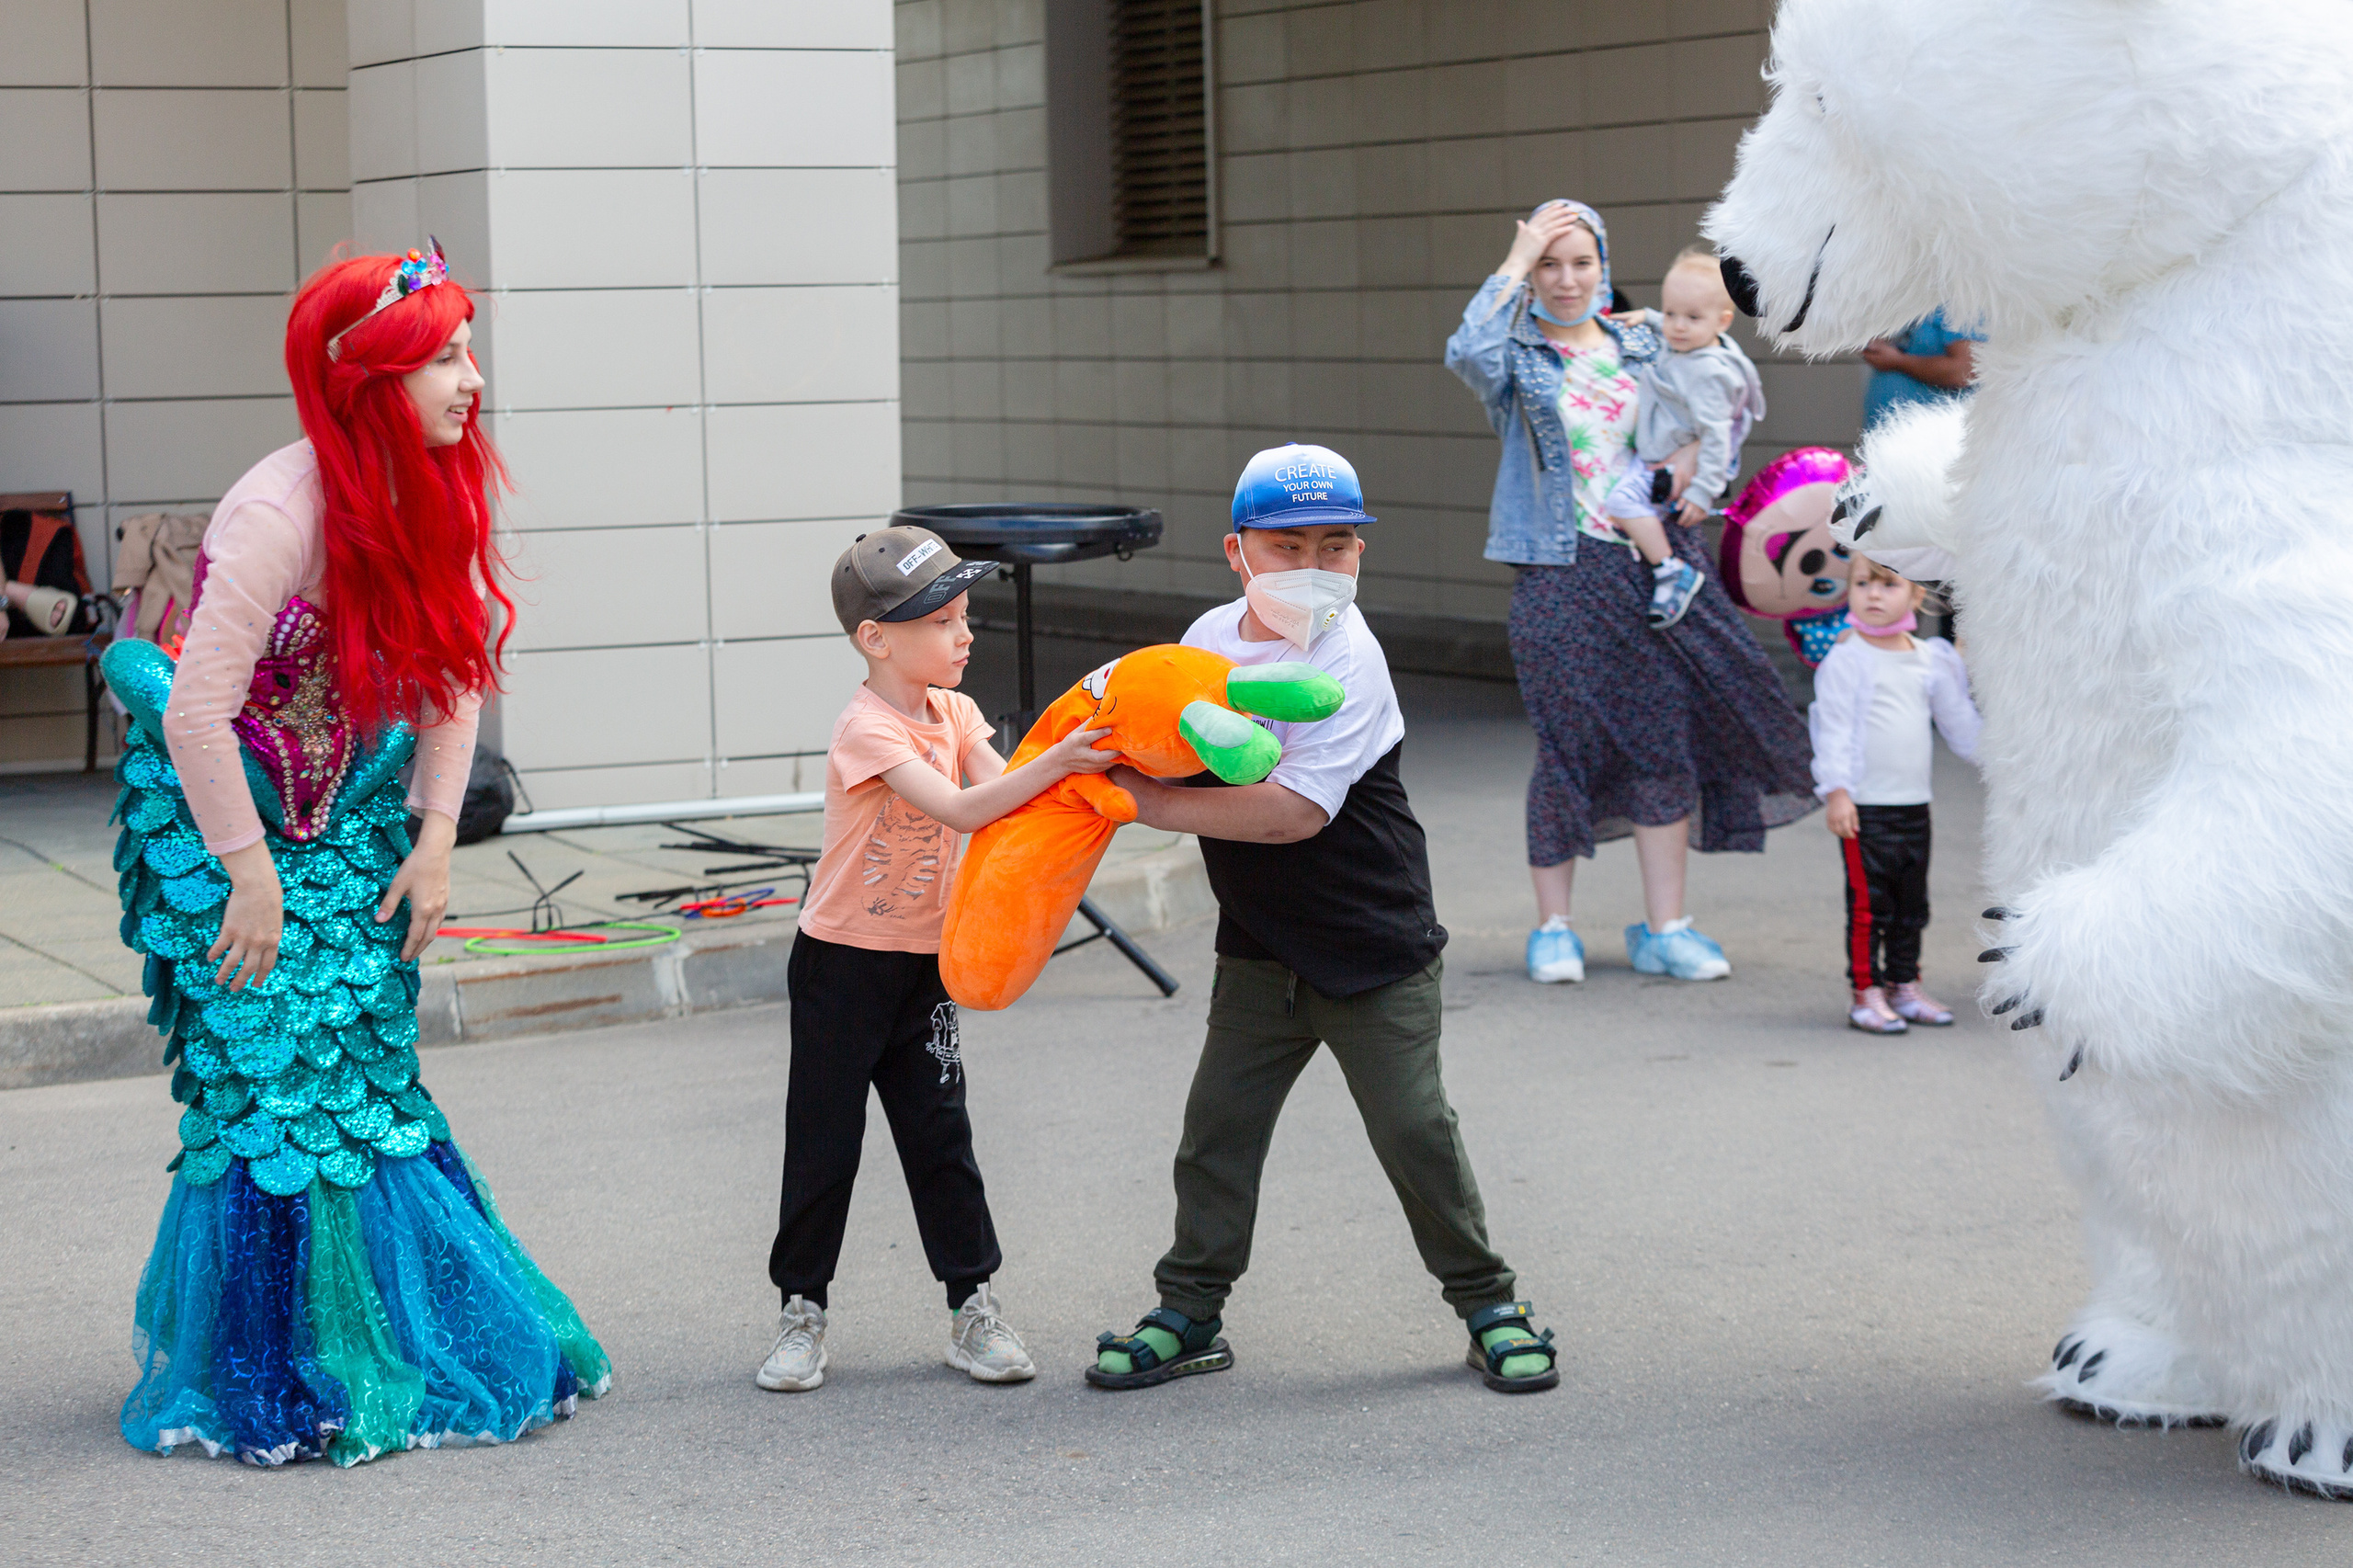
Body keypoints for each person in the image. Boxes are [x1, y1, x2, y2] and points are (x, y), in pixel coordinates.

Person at [106, 242, 610, 1466]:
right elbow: (192, 713)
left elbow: (451, 681)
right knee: (269, 1083)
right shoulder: (276, 513)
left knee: (366, 1080)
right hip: (222, 816)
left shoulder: (432, 489)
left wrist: (437, 840)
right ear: (370, 379)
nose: (470, 378)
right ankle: (267, 1371)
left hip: (350, 814)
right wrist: (250, 873)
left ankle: (371, 1348)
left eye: (468, 350)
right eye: (444, 357)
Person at [1085, 443, 1562, 1397]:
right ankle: (1190, 1312)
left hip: (1372, 945)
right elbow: (1154, 723)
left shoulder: (1352, 654)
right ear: (1236, 550)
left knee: (1414, 1129)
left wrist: (1145, 804)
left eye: (1337, 544)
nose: (1315, 564)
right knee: (1216, 1131)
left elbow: (1293, 811)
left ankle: (1489, 1304)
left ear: (1359, 555)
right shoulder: (1208, 640)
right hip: (1260, 947)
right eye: (1287, 542)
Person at [756, 526, 1121, 1392]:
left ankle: (972, 1308)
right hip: (841, 966)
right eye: (945, 620)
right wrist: (1057, 759)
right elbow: (964, 810)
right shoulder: (866, 728)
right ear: (876, 638)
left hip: (926, 967)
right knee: (823, 1145)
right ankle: (801, 1312)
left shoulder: (954, 714)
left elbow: (1009, 802)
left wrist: (1087, 778)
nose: (966, 635)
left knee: (941, 1140)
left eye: (967, 616)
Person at [1443, 200, 1818, 989]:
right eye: (1551, 264)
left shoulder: (1642, 338)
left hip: (1655, 566)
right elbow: (1464, 349)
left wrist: (1687, 468)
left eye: (1581, 262)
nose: (1567, 279)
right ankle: (1553, 930)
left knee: (1662, 742)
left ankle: (1666, 927)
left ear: (1603, 265)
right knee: (1565, 740)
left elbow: (1718, 388)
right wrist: (1515, 258)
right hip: (1558, 568)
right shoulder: (1515, 355)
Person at [1808, 555, 1981, 1034]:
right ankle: (1866, 993)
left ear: (1915, 596)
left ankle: (1905, 984)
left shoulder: (1929, 660)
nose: (1874, 595)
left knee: (1911, 905)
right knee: (1869, 908)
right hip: (1865, 810)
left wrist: (2002, 760)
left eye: (1888, 585)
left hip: (1913, 807)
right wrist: (1837, 793)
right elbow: (1833, 730)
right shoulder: (1847, 660)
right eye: (1863, 584)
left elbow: (1960, 724)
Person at [1600, 246, 1767, 630]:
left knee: (1621, 502)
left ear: (1723, 321)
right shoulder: (1697, 343)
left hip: (1679, 464)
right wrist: (1649, 317)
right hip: (1664, 452)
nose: (1676, 326)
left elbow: (1717, 435)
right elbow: (1678, 320)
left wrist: (1702, 491)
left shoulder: (1707, 373)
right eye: (1670, 313)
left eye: (1692, 317)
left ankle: (1671, 570)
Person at [1859, 309, 1981, 431]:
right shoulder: (1910, 300)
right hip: (1888, 434)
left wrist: (1898, 361)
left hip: (1932, 436)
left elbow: (1963, 371)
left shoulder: (1960, 301)